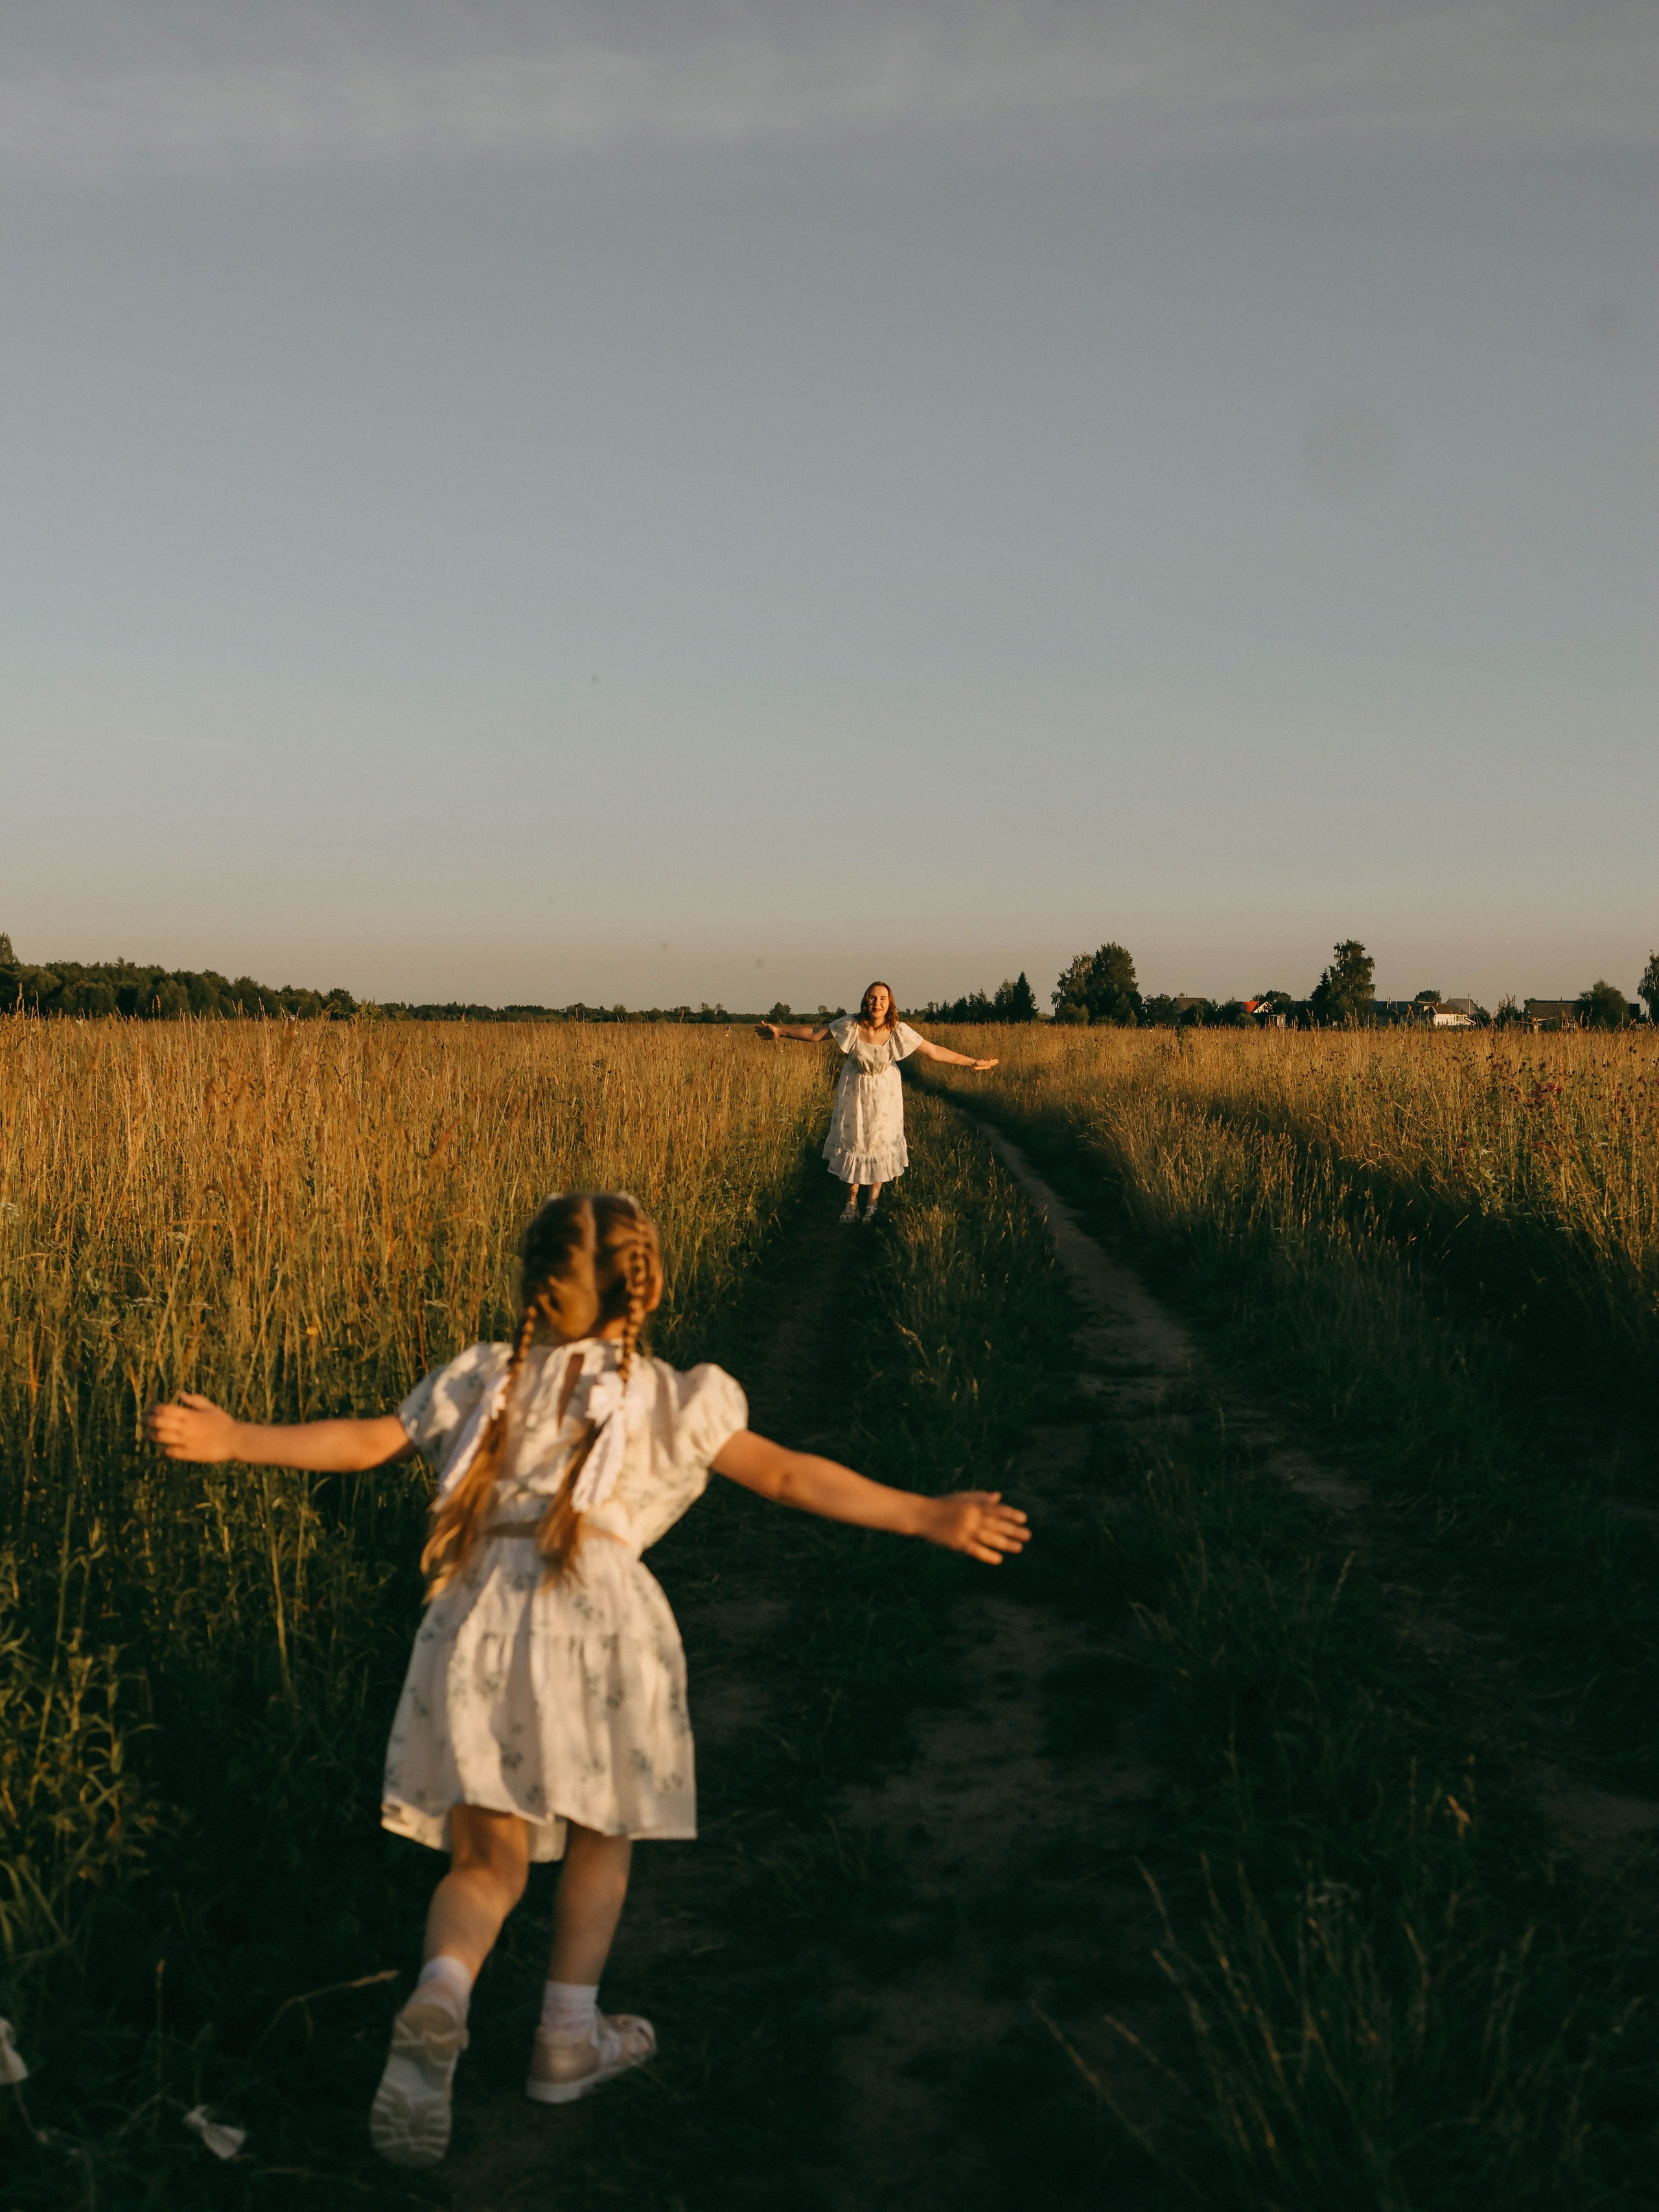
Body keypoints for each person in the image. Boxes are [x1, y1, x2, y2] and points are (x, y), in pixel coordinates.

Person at [143, 1191, 1029, 2171]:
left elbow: (361, 1442)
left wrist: (237, 1437)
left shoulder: (483, 1378)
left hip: (474, 1615)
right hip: (600, 1616)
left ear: (532, 1286)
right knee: (605, 1830)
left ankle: (441, 1995)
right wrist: (924, 1513)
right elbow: (785, 1476)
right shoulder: (665, 1396)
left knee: (485, 1862)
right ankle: (567, 2033)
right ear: (647, 1289)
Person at [756, 981, 999, 1222]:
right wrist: (780, 1031)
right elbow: (815, 1033)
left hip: (885, 1095)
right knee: (854, 1141)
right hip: (854, 1093)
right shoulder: (850, 1025)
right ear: (865, 1001)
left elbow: (933, 1051)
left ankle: (873, 1202)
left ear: (889, 1003)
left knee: (879, 1142)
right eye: (872, 998)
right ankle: (851, 1202)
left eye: (883, 998)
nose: (877, 1003)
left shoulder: (898, 1031)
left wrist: (972, 1062)